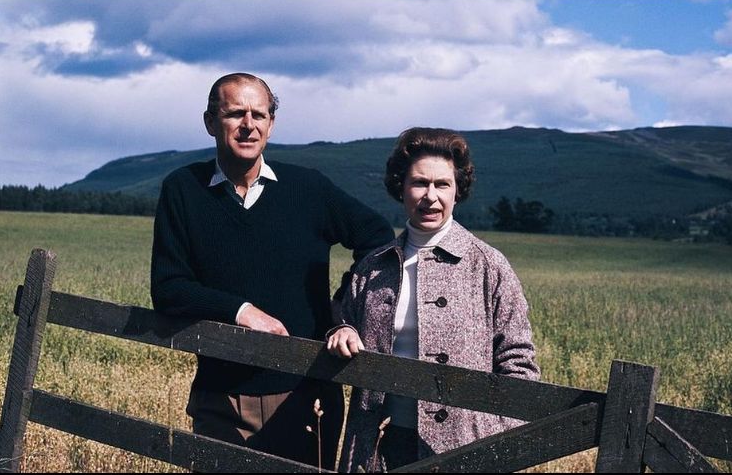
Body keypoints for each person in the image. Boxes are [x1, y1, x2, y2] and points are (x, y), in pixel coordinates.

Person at [150, 72, 394, 469]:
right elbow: (167, 288)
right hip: (221, 394)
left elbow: (378, 238)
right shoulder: (183, 189)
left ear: (271, 124)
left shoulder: (307, 189)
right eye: (235, 114)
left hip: (305, 394)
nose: (248, 125)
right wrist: (242, 311)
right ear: (211, 122)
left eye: (258, 115)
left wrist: (342, 309)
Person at [327, 127, 540, 471]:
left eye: (442, 184)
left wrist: (489, 447)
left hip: (463, 451)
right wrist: (343, 330)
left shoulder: (488, 266)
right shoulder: (372, 267)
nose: (430, 196)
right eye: (419, 183)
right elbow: (344, 325)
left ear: (458, 191)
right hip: (378, 447)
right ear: (401, 188)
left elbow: (520, 367)